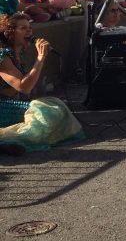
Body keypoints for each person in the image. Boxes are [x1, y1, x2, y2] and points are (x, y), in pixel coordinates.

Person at [0, 12, 83, 154]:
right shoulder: (3, 57)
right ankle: (8, 142)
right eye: (23, 28)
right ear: (10, 33)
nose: (29, 31)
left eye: (30, 28)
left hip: (15, 104)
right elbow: (23, 87)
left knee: (55, 106)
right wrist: (40, 58)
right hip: (3, 107)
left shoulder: (17, 55)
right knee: (46, 112)